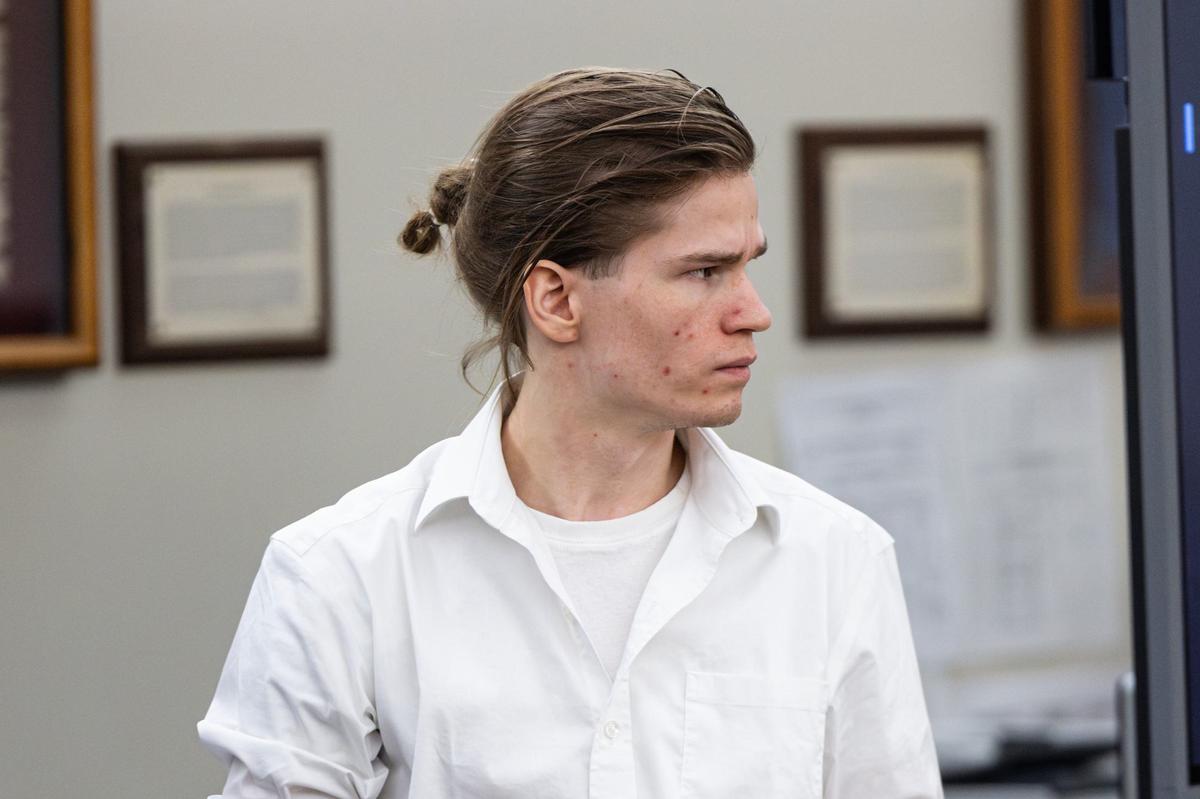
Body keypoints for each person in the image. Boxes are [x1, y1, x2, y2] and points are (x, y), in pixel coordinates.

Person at [198, 67, 943, 798]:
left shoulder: (834, 561)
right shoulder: (341, 575)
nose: (753, 311)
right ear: (556, 299)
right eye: (705, 271)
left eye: (747, 267)